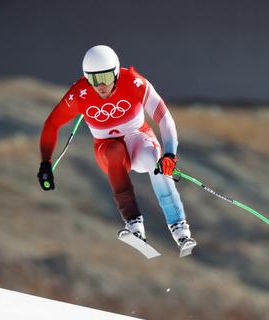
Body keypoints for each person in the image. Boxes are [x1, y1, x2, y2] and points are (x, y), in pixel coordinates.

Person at [37, 45, 196, 256]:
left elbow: (163, 116)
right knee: (113, 151)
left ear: (115, 72)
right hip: (107, 147)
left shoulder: (133, 82)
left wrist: (169, 154)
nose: (101, 85)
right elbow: (52, 124)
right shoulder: (79, 93)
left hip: (138, 137)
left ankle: (180, 229)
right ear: (86, 78)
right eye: (94, 79)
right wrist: (46, 162)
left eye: (105, 76)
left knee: (153, 160)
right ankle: (134, 224)